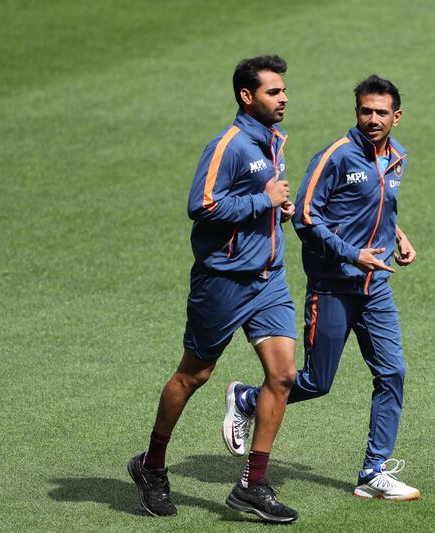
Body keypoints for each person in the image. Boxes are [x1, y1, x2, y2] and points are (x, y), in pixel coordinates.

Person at [222, 74, 420, 501]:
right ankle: (247, 399)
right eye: (365, 111)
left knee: (392, 373)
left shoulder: (397, 157)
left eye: (381, 112)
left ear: (396, 117)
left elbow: (375, 205)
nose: (372, 119)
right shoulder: (336, 156)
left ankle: (373, 471)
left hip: (376, 287)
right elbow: (306, 219)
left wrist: (397, 235)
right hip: (332, 287)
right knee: (316, 381)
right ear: (356, 113)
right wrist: (353, 255)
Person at [128, 55, 299, 524]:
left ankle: (252, 485)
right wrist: (261, 200)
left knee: (282, 376)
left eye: (284, 90)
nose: (283, 97)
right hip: (222, 281)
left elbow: (259, 201)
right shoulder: (227, 144)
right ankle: (153, 466)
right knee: (193, 376)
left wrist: (276, 211)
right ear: (247, 96)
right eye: (273, 91)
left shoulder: (273, 140)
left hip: (268, 279)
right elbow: (201, 205)